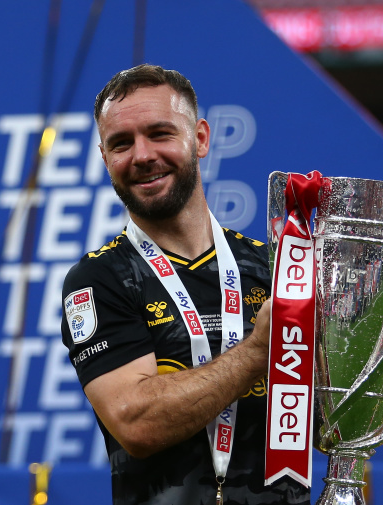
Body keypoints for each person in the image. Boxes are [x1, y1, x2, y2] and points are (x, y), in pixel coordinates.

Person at [60, 64, 309, 505]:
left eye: (160, 134)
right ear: (105, 159)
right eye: (121, 143)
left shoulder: (274, 267)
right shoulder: (99, 280)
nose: (141, 155)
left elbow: (331, 422)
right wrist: (258, 352)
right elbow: (137, 423)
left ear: (200, 138)